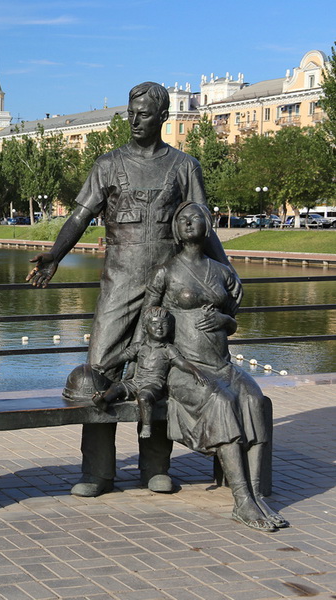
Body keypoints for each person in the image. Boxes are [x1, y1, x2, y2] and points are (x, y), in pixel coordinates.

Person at [26, 81, 236, 497]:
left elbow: (202, 226)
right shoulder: (107, 164)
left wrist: (227, 273)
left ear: (163, 117)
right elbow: (81, 216)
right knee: (98, 370)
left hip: (169, 286)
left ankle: (156, 466)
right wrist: (55, 255)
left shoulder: (184, 166)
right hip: (119, 283)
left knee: (159, 370)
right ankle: (98, 470)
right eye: (130, 111)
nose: (134, 119)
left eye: (143, 113)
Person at [144, 201, 285, 531]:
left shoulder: (222, 272)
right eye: (182, 220)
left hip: (221, 365)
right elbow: (147, 320)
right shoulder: (166, 271)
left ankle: (256, 493)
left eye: (196, 218)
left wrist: (223, 318)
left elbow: (233, 323)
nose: (189, 223)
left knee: (254, 401)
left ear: (208, 226)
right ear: (176, 231)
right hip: (184, 367)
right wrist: (155, 363)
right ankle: (243, 500)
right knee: (221, 404)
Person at [91, 306, 209, 439]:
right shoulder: (140, 346)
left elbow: (181, 362)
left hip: (154, 384)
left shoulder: (167, 349)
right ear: (145, 327)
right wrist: (104, 367)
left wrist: (196, 371)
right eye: (154, 323)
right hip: (135, 382)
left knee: (143, 397)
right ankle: (104, 401)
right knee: (117, 387)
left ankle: (147, 426)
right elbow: (122, 357)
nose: (159, 327)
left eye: (163, 324)